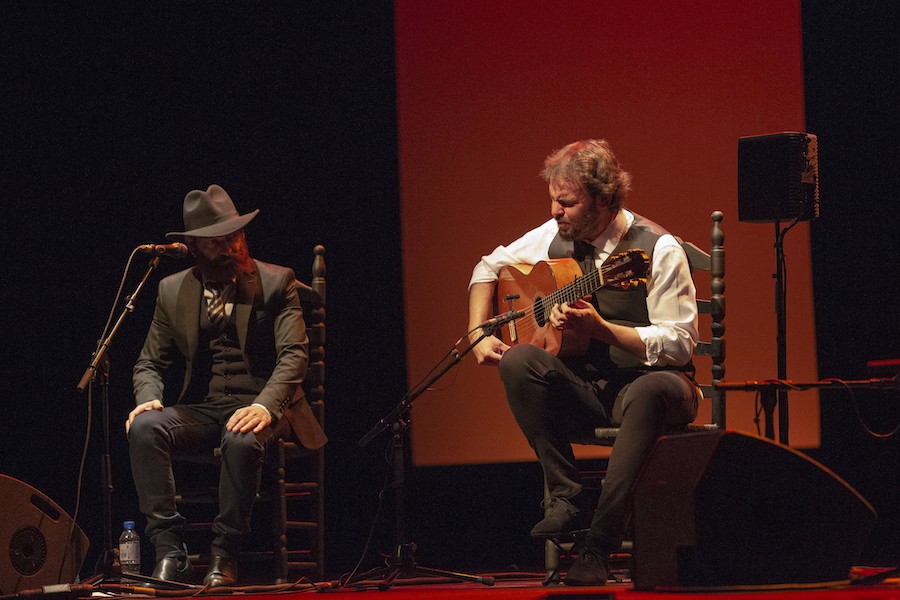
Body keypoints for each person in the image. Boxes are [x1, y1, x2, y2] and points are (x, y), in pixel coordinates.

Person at [468, 140, 700, 586]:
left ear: (605, 200)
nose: (555, 211)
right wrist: (480, 332)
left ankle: (597, 546)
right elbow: (487, 267)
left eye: (567, 202)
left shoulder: (657, 248)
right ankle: (566, 492)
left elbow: (680, 345)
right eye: (553, 199)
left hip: (655, 386)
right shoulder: (556, 235)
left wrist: (603, 330)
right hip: (592, 392)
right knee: (518, 361)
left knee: (650, 391)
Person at [126, 184, 327, 586]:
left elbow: (294, 356)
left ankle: (225, 555)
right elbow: (149, 361)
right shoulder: (172, 290)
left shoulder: (277, 281)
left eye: (234, 236)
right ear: (195, 248)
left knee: (240, 435)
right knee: (146, 427)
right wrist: (148, 399)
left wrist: (265, 406)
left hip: (266, 404)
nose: (230, 248)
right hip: (204, 406)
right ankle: (170, 552)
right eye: (216, 243)